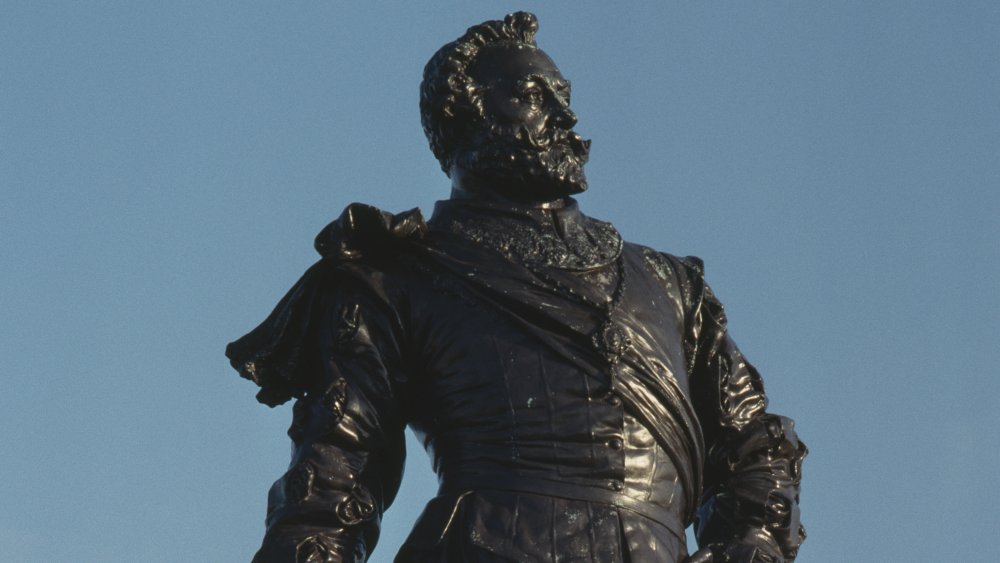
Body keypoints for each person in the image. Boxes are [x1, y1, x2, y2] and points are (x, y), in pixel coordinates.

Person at [227, 12, 806, 563]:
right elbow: (335, 475)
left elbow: (754, 443)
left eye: (564, 96)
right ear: (464, 118)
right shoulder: (394, 278)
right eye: (531, 97)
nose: (565, 117)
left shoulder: (672, 283)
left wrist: (751, 538)